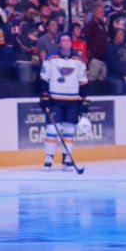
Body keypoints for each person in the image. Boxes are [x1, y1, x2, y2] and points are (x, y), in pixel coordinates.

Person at [38, 34, 88, 171]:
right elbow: (43, 78)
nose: (66, 43)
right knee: (52, 129)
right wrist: (44, 95)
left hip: (72, 101)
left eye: (68, 40)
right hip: (55, 100)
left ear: (71, 43)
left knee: (69, 130)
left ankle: (67, 157)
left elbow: (83, 82)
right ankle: (49, 157)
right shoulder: (51, 58)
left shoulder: (79, 60)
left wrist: (84, 101)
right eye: (63, 41)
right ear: (59, 44)